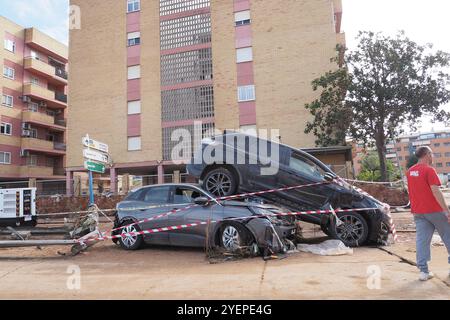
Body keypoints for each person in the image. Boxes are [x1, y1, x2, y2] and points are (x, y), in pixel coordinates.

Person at [407, 146, 450, 281]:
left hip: (418, 212)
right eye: (432, 154)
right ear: (427, 154)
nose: (433, 157)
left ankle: (423, 272)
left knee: (422, 241)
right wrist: (446, 210)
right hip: (434, 210)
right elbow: (436, 191)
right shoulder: (429, 170)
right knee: (448, 236)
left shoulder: (410, 171)